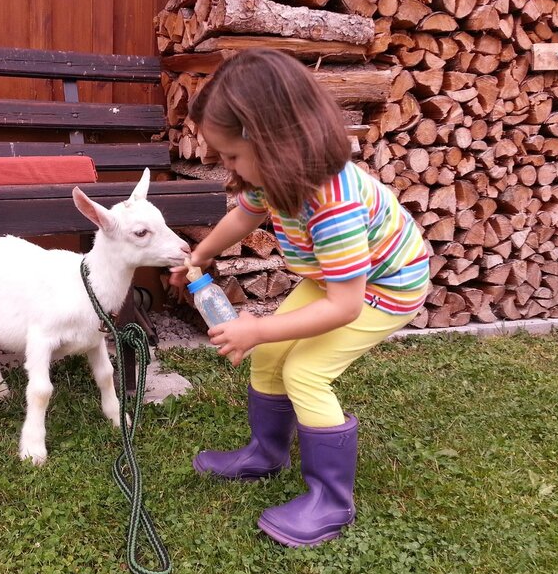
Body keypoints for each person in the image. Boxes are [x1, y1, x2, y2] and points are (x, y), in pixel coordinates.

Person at [169, 49, 430, 548]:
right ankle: (266, 454)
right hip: (335, 279)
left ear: (270, 140)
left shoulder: (333, 204)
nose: (226, 166)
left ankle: (332, 501)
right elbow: (244, 215)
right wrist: (199, 254)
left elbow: (345, 307)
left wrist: (256, 327)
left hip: (384, 288)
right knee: (271, 354)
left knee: (305, 372)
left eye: (231, 155)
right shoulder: (275, 175)